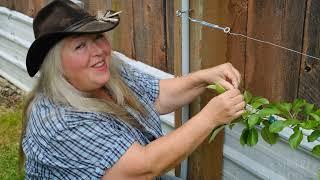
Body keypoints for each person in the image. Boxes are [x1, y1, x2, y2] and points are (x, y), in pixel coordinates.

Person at [20, 0, 245, 179]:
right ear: (56, 66)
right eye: (80, 46)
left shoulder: (108, 71)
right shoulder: (58, 122)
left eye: (98, 37)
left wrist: (203, 78)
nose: (98, 51)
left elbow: (158, 95)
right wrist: (210, 117)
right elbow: (142, 169)